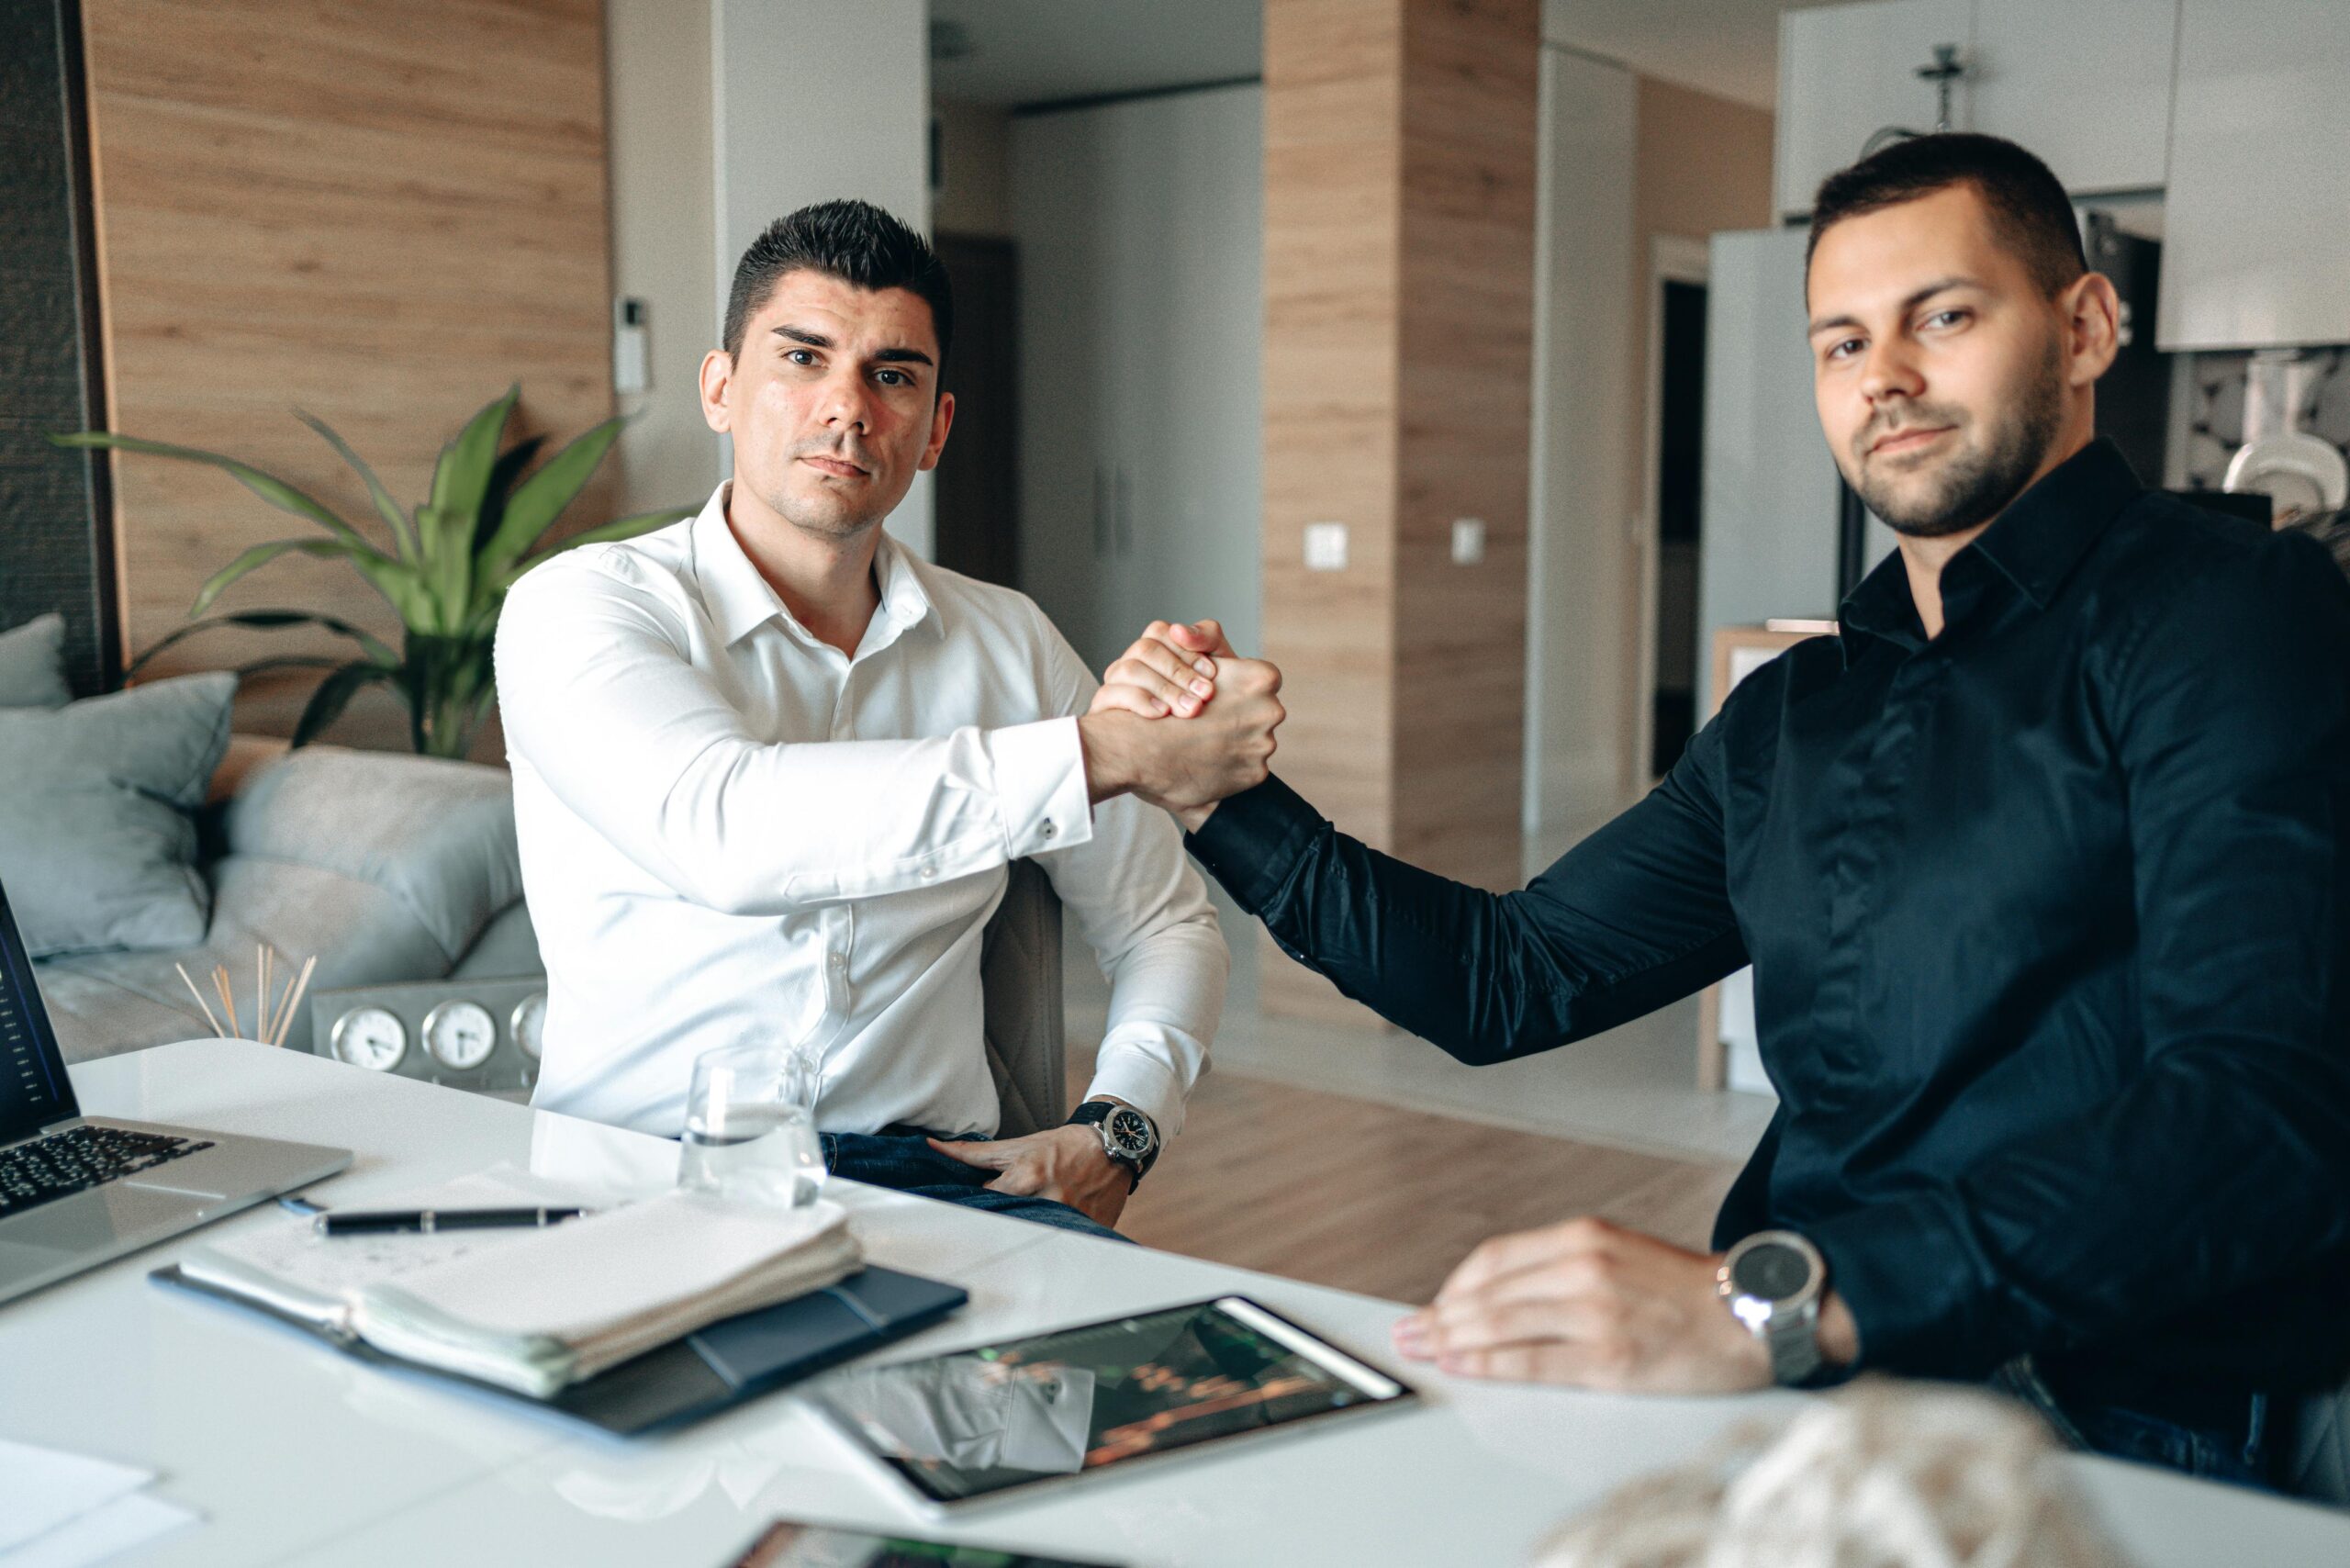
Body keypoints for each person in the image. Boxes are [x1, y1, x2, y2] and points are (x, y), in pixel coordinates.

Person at [1091, 134, 2350, 1484]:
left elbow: (2268, 1112)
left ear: (2088, 326)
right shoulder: (1800, 711)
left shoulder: (2232, 613)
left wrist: (1772, 1302)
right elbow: (1505, 978)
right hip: (1813, 1380)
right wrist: (1218, 794)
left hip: (2113, 1418)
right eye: (1841, 343)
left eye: (1946, 316)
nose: (1888, 378)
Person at [496, 200, 1282, 1238]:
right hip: (637, 1176)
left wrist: (1121, 1128)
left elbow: (1163, 920)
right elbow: (723, 829)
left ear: (935, 428)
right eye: (803, 358)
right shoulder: (584, 605)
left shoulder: (1008, 641)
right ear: (720, 390)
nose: (847, 408)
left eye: (892, 374)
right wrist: (1104, 751)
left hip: (933, 1176)